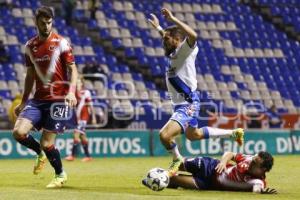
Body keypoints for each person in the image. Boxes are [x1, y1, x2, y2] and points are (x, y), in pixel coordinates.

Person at [147, 8, 244, 177]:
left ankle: (177, 160)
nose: (164, 41)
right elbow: (168, 37)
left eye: (168, 38)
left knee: (164, 136)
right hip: (183, 103)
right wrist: (159, 28)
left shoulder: (183, 51)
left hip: (187, 103)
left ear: (178, 40)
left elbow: (193, 36)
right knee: (194, 135)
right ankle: (234, 133)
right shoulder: (174, 53)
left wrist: (173, 18)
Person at [12, 6, 78, 188]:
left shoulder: (61, 43)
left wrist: (72, 91)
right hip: (38, 99)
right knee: (18, 132)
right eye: (43, 23)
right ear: (36, 22)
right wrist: (24, 100)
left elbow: (73, 70)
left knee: (47, 142)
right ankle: (39, 153)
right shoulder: (29, 46)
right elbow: (30, 75)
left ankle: (60, 175)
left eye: (49, 22)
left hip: (59, 100)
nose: (47, 26)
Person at [143, 151, 277, 194]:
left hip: (207, 183)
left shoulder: (258, 181)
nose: (251, 163)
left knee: (175, 180)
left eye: (255, 163)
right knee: (179, 164)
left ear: (263, 169)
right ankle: (156, 177)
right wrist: (223, 162)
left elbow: (257, 188)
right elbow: (230, 154)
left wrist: (261, 191)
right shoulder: (248, 159)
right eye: (253, 159)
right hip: (209, 166)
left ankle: (153, 180)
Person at [65, 75, 96, 162]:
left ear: (82, 82)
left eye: (78, 81)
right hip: (78, 116)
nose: (77, 82)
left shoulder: (86, 92)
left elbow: (90, 105)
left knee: (76, 134)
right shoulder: (74, 92)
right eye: (76, 81)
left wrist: (93, 117)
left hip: (84, 116)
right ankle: (88, 156)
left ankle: (72, 155)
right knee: (82, 136)